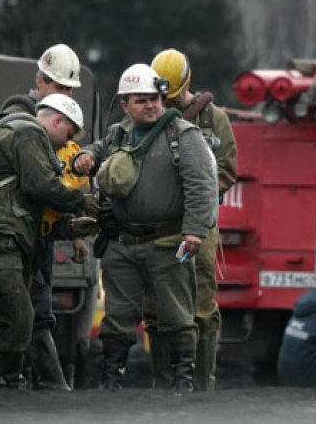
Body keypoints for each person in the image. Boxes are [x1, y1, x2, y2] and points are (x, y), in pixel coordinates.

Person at [72, 63, 217, 392]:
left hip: (169, 242)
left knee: (177, 317)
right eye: (140, 100)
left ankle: (182, 384)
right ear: (125, 105)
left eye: (154, 98)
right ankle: (112, 383)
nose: (150, 105)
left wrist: (195, 230)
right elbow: (99, 149)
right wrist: (84, 155)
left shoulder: (183, 134)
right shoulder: (118, 134)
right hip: (122, 244)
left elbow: (201, 185)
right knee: (117, 319)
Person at [0, 93, 86, 389]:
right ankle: (9, 387)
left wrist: (70, 228)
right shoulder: (28, 132)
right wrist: (82, 200)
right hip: (0, 237)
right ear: (57, 120)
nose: (65, 146)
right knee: (17, 314)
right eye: (66, 136)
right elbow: (41, 185)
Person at [0, 43, 93, 390]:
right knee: (25, 306)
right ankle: (40, 382)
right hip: (19, 228)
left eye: (69, 89)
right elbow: (39, 184)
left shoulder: (57, 127)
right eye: (58, 86)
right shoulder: (21, 120)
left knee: (38, 306)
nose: (66, 95)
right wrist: (80, 205)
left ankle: (37, 382)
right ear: (39, 82)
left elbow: (64, 175)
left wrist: (76, 234)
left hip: (45, 231)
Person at [149, 48, 237, 391]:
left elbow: (227, 170)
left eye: (170, 97)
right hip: (158, 225)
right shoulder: (149, 113)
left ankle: (202, 386)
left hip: (200, 225)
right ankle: (162, 382)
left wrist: (197, 205)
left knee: (201, 303)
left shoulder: (215, 120)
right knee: (155, 304)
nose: (165, 103)